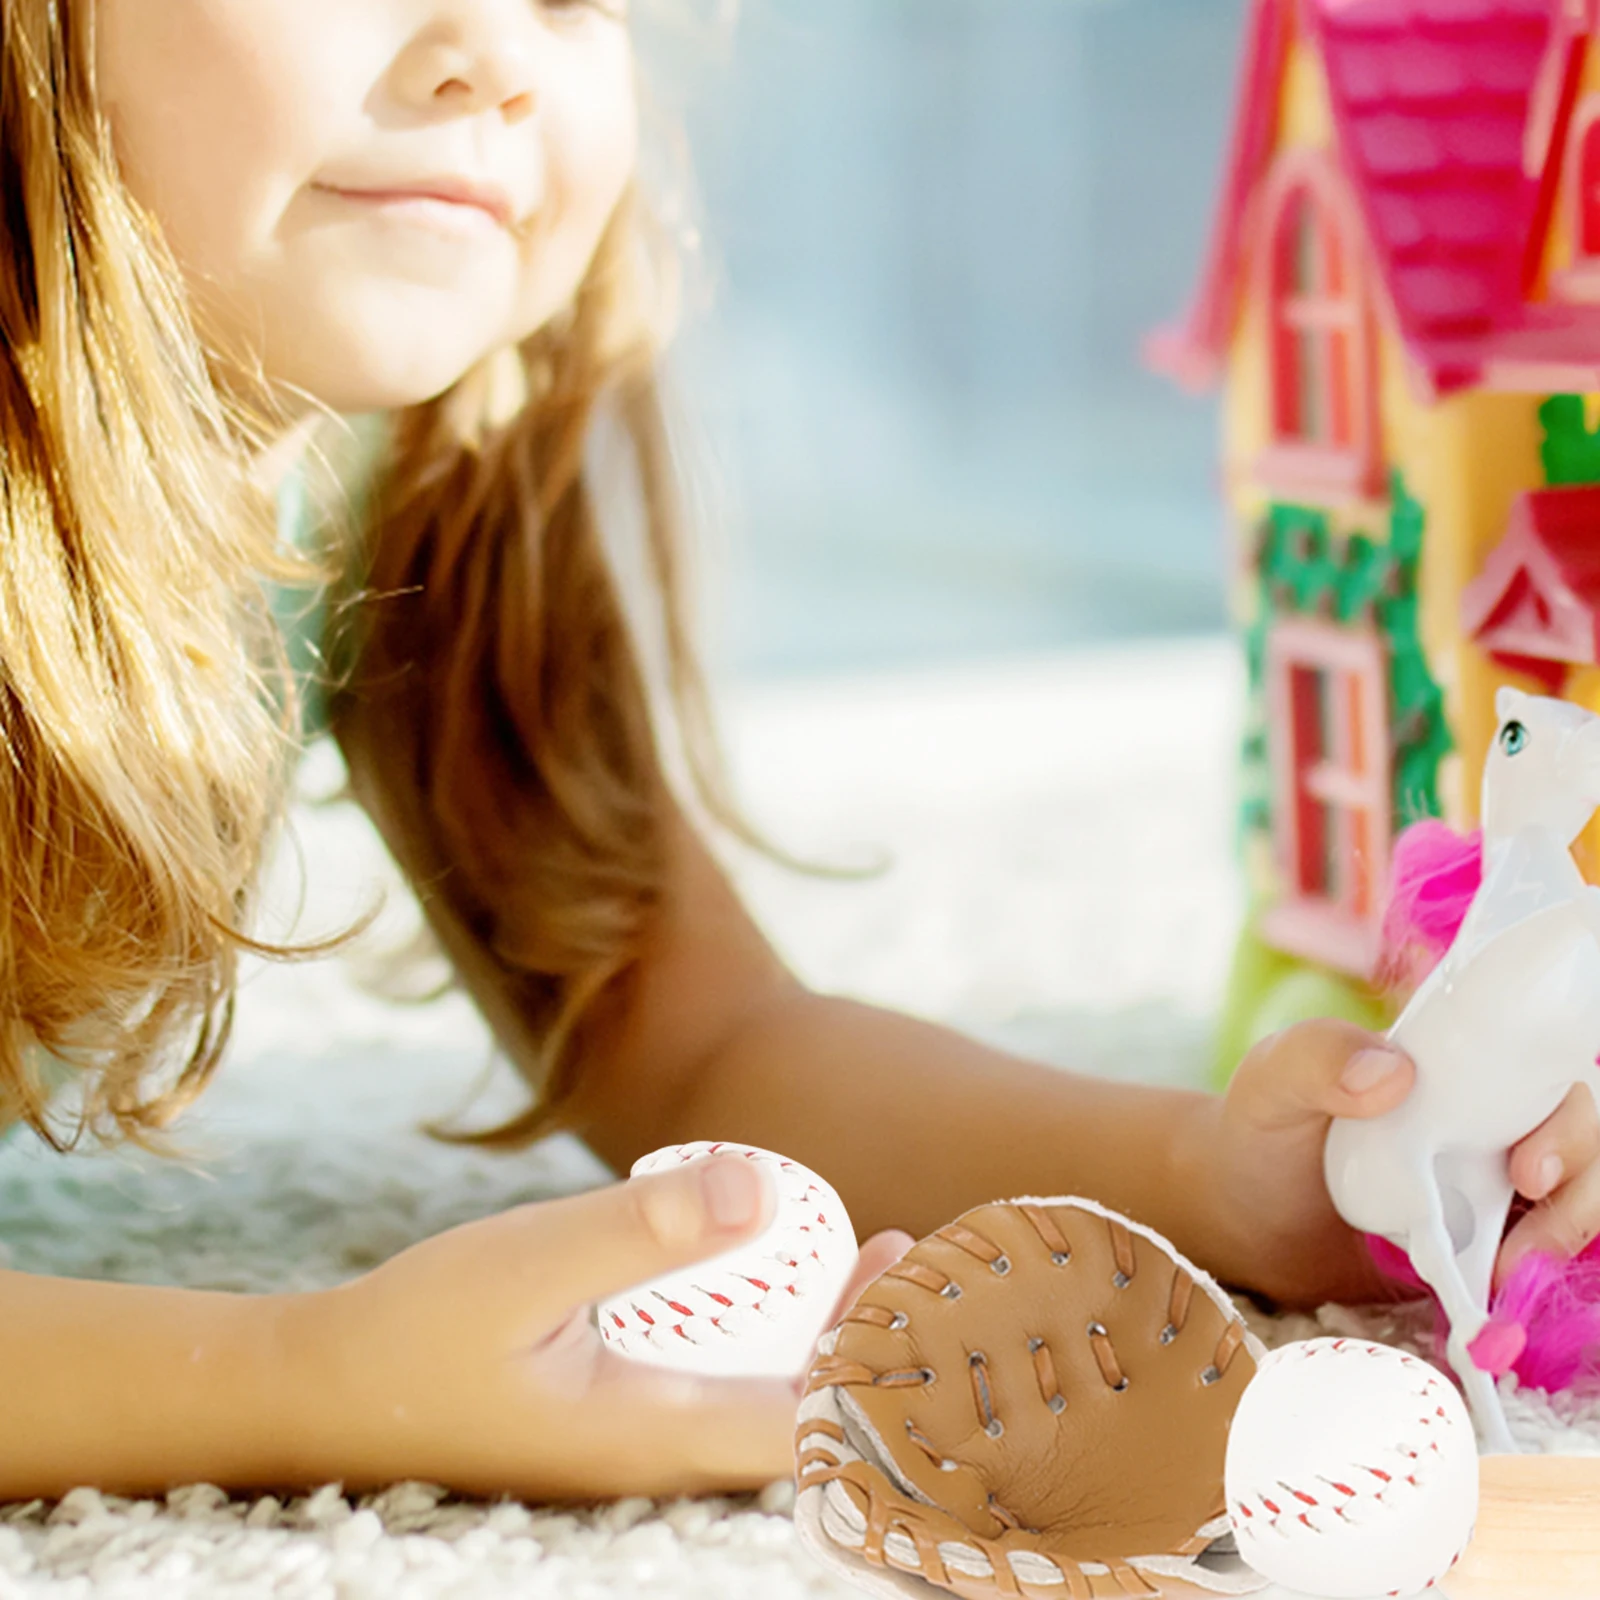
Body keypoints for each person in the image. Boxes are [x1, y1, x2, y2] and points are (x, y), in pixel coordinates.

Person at [0, 0, 1595, 1508]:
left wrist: (1216, 1180)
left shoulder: (404, 465)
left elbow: (702, 1041)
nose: (489, 53)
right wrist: (303, 1377)